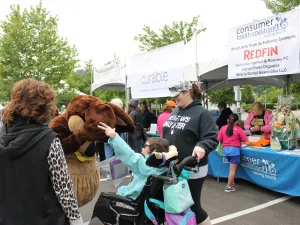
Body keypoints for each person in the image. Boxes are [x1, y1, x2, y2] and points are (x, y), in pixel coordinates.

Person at [0, 78, 83, 225]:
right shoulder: (49, 140)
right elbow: (64, 189)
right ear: (43, 106)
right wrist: (77, 221)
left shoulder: (2, 135)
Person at [93, 122, 175, 223]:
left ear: (152, 151)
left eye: (145, 145)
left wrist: (114, 137)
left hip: (131, 202)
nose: (142, 147)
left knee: (102, 200)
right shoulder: (162, 168)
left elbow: (131, 156)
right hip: (142, 204)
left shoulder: (146, 167)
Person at [163, 80, 218, 225]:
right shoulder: (176, 110)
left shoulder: (202, 113)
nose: (175, 98)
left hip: (192, 168)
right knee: (174, 203)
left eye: (177, 95)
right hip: (173, 166)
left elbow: (212, 137)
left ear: (187, 92)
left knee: (192, 205)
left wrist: (202, 146)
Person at [218, 114, 248, 192]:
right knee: (232, 170)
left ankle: (231, 181)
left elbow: (219, 139)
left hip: (225, 151)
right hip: (234, 151)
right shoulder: (238, 129)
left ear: (228, 120)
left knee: (231, 168)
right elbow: (245, 139)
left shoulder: (223, 128)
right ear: (237, 121)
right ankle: (228, 186)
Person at [104, 98, 124, 179]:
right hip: (117, 137)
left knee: (108, 155)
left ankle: (109, 174)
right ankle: (118, 172)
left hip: (107, 137)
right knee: (119, 154)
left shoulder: (106, 115)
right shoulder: (121, 116)